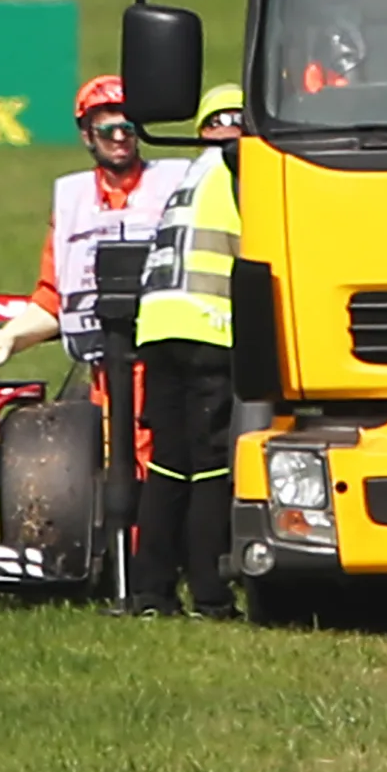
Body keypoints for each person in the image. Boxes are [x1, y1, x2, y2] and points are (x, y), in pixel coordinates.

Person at [0, 76, 193, 380]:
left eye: (129, 128)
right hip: (104, 377)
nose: (120, 137)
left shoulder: (180, 181)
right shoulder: (72, 201)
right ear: (87, 135)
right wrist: (7, 339)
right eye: (107, 131)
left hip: (174, 374)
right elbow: (53, 300)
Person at [125, 83, 246, 618]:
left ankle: (152, 591)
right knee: (212, 466)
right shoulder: (241, 170)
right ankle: (210, 594)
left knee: (169, 464)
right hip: (210, 328)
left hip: (158, 326)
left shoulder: (190, 175)